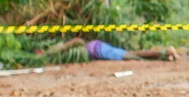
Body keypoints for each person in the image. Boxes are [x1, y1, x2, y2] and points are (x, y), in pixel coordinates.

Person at [36, 38, 179, 62]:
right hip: (96, 48)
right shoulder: (54, 54)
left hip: (96, 50)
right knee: (129, 56)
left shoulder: (54, 51)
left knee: (129, 55)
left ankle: (166, 51)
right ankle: (164, 56)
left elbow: (77, 41)